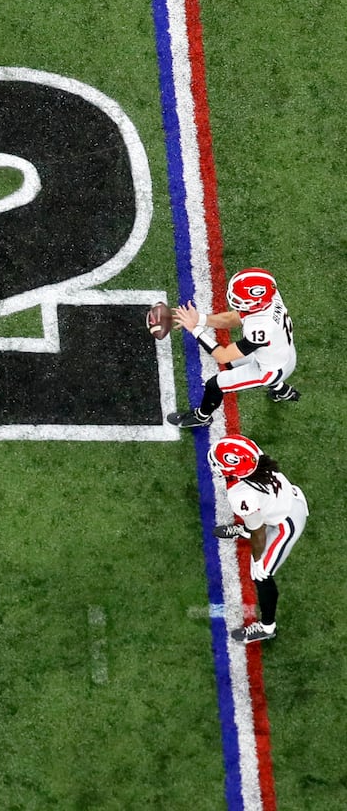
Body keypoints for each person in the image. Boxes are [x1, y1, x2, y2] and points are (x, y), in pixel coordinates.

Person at [167, 267, 299, 429]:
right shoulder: (271, 298)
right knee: (231, 365)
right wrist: (200, 319)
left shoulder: (260, 328)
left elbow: (222, 356)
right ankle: (281, 390)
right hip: (282, 352)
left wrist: (194, 329)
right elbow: (233, 318)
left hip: (271, 370)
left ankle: (202, 417)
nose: (235, 301)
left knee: (215, 384)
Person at [210, 434, 309, 644]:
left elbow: (259, 533)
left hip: (285, 523)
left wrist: (256, 559)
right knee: (254, 520)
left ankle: (267, 627)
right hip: (282, 501)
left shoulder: (242, 495)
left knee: (261, 575)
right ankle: (245, 529)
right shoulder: (253, 457)